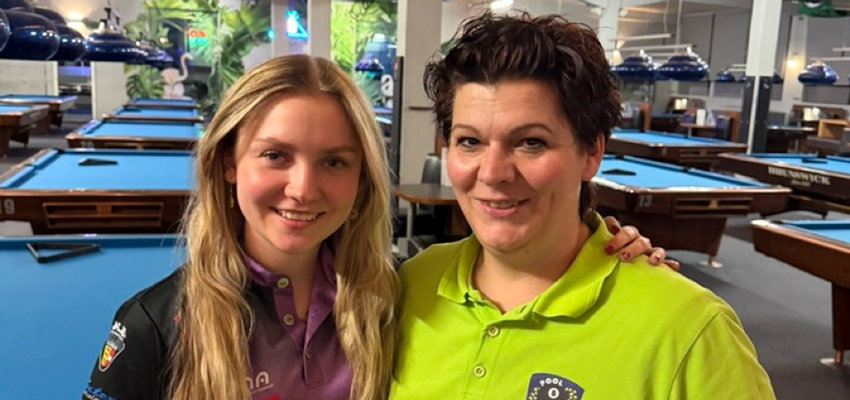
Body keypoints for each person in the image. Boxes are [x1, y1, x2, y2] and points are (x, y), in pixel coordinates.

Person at [82, 56, 671, 400]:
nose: (303, 188)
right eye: (275, 155)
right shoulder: (156, 324)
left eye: (334, 162)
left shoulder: (392, 295)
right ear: (228, 164)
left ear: (362, 177)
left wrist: (599, 244)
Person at [390, 11, 775, 400]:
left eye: (531, 142)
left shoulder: (691, 330)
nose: (493, 173)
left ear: (592, 153)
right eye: (470, 142)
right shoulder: (413, 285)